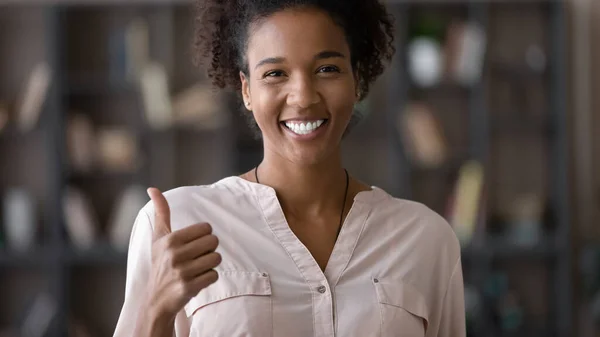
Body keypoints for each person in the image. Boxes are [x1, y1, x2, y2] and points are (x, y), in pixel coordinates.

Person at [113, 0, 465, 336]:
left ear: (357, 80)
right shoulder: (176, 226)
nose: (303, 96)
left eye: (327, 69)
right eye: (275, 73)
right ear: (247, 90)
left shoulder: (427, 241)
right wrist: (154, 308)